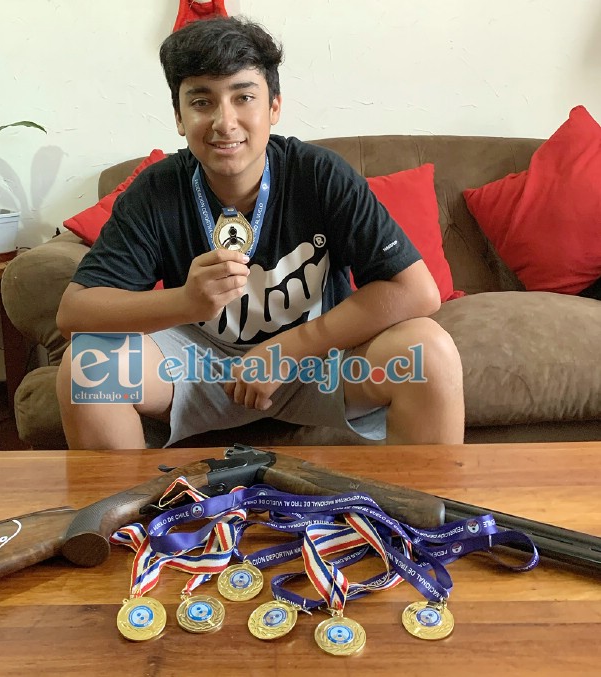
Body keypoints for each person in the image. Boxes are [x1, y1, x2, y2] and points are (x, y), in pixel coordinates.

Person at [55, 16, 464, 450]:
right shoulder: (156, 190)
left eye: (243, 97)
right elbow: (74, 314)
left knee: (431, 352)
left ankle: (417, 517)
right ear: (179, 116)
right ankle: (129, 517)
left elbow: (417, 291)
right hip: (199, 367)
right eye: (201, 101)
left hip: (315, 364)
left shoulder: (319, 174)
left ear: (273, 107)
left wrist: (287, 350)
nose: (224, 122)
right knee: (87, 366)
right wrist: (185, 301)